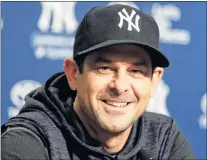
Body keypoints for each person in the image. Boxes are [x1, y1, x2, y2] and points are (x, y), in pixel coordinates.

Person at [1, 4, 194, 160]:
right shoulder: (27, 142)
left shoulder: (163, 139)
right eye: (105, 68)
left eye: (136, 71)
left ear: (154, 81)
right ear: (73, 73)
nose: (120, 86)